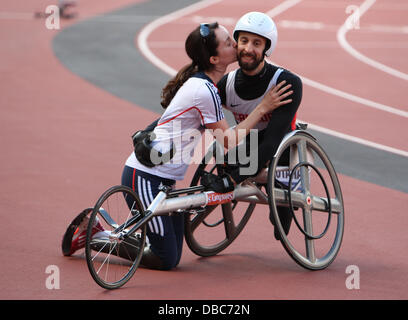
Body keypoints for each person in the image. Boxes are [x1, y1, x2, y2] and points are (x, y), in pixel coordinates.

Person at [63, 22, 293, 270]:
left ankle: (142, 234)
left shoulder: (204, 85)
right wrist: (263, 107)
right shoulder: (204, 90)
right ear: (215, 59)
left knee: (171, 248)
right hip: (145, 178)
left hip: (161, 179)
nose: (237, 45)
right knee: (166, 259)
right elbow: (227, 140)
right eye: (229, 42)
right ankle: (93, 236)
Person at [215, 12, 303, 241]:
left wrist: (235, 178)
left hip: (282, 152)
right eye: (243, 41)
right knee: (221, 163)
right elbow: (198, 110)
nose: (248, 49)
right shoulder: (228, 83)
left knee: (280, 227)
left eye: (257, 43)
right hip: (251, 145)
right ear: (236, 43)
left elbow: (273, 142)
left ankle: (283, 209)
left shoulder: (286, 83)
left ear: (266, 49)